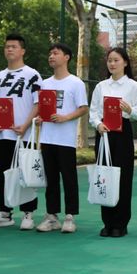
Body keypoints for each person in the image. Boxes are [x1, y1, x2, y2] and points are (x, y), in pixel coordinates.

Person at [0, 33, 42, 230]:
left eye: (14, 46)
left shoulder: (32, 74)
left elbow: (38, 103)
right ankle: (4, 213)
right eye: (7, 46)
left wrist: (25, 125)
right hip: (2, 134)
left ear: (22, 51)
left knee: (25, 173)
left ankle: (28, 214)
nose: (9, 49)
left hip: (23, 134)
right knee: (2, 173)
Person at [89, 47, 137, 238]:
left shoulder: (133, 86)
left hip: (123, 134)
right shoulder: (101, 86)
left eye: (116, 60)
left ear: (125, 63)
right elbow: (93, 111)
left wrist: (130, 110)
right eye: (109, 60)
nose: (112, 64)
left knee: (123, 177)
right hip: (104, 134)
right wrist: (98, 124)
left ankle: (121, 224)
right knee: (104, 176)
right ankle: (107, 222)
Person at [34, 43, 89, 234]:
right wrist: (40, 118)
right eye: (50, 53)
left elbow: (83, 108)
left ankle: (70, 217)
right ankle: (52, 216)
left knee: (69, 179)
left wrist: (66, 117)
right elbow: (43, 109)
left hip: (65, 140)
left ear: (66, 57)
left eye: (55, 53)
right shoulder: (45, 84)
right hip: (47, 138)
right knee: (51, 180)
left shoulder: (75, 83)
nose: (51, 56)